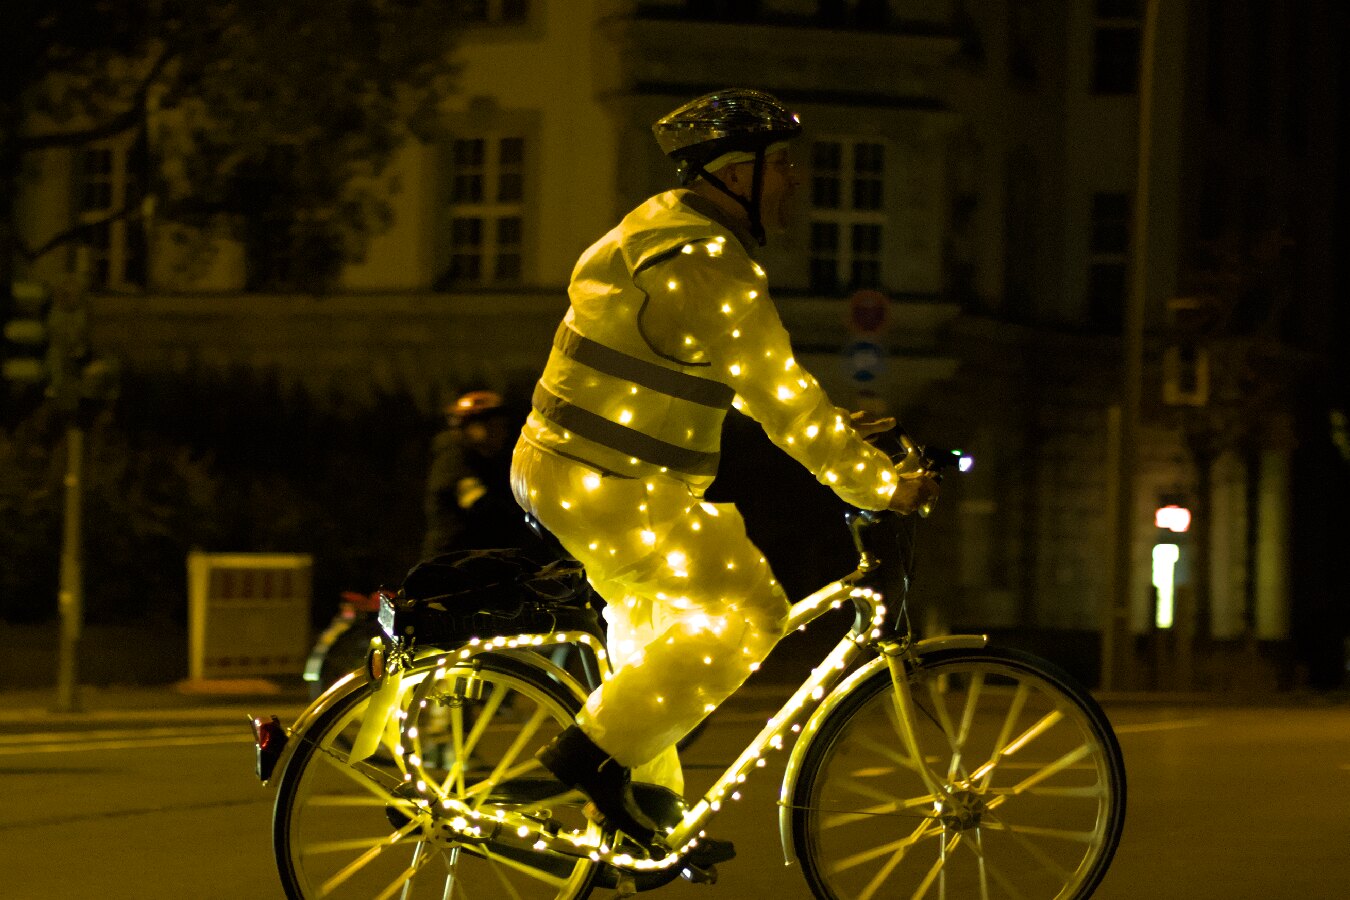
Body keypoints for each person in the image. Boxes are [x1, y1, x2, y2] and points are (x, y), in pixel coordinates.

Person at [510, 89, 939, 849]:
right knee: (750, 611)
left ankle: (642, 814)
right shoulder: (705, 262)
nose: (796, 182)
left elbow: (705, 373)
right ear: (735, 174)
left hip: (578, 473)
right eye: (785, 166)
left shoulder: (654, 231)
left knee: (656, 635)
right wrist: (882, 487)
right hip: (611, 485)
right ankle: (587, 759)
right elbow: (777, 396)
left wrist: (835, 428)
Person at [424, 389, 539, 557]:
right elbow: (481, 505)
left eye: (502, 425)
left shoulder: (495, 461)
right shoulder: (452, 461)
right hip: (451, 565)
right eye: (492, 425)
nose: (500, 431)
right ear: (470, 427)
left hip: (484, 561)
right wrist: (530, 521)